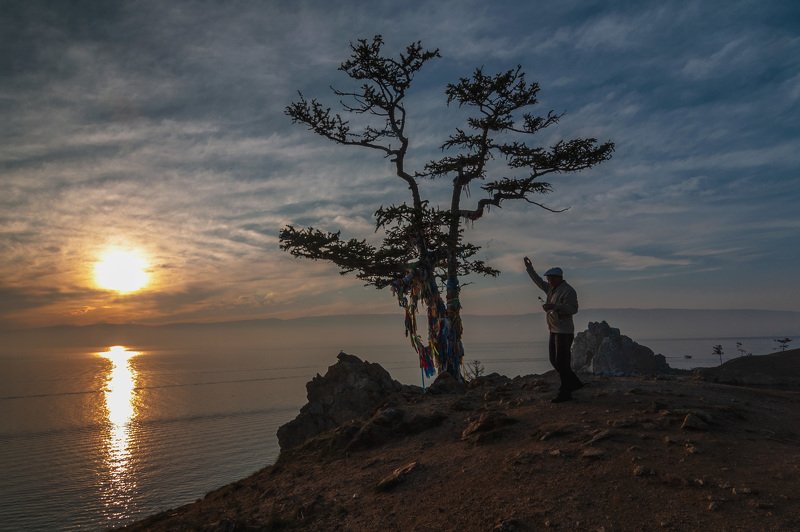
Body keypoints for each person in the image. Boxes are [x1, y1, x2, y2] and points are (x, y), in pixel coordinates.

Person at [523, 256, 583, 403]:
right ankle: (575, 383)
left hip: (564, 331)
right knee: (554, 360)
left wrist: (555, 307)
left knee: (562, 362)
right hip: (554, 329)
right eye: (548, 278)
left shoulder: (569, 291)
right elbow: (537, 281)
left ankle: (565, 392)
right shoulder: (551, 289)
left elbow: (573, 309)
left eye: (550, 278)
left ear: (558, 278)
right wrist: (529, 268)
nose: (548, 281)